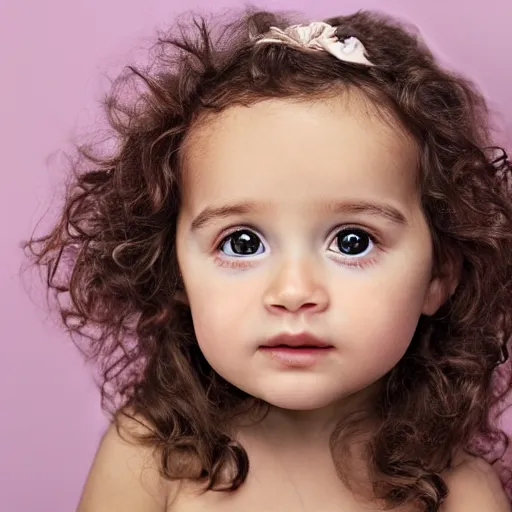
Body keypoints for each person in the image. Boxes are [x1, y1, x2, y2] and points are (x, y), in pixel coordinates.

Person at [25, 7, 512, 512]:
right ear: (173, 273)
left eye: (352, 242)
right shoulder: (149, 462)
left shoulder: (461, 495)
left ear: (440, 273)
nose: (294, 292)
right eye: (242, 243)